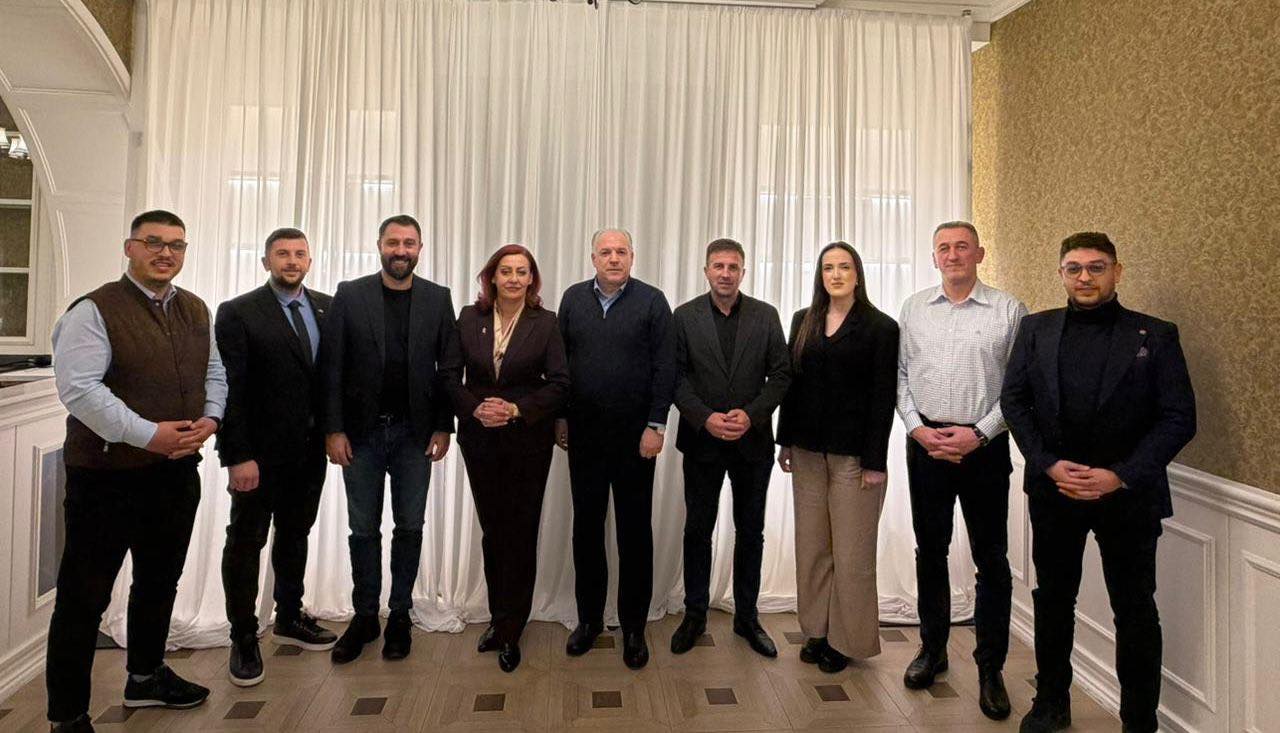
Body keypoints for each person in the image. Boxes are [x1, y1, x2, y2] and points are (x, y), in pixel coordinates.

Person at [1002, 232, 1195, 733]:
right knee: (1053, 600)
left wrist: (1120, 476)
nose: (1084, 277)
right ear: (1061, 273)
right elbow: (1014, 402)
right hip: (1055, 491)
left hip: (1128, 497)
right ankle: (1051, 703)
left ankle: (1139, 721)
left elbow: (1179, 417)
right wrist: (1047, 464)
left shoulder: (1156, 335)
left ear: (1117, 272)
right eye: (1074, 268)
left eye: (1096, 267)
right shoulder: (1036, 329)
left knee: (1135, 610)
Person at [46, 210, 226, 733]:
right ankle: (67, 715)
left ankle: (145, 678)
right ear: (130, 248)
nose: (165, 253)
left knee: (159, 582)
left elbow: (214, 371)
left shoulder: (195, 308)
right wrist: (150, 435)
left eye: (176, 245)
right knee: (84, 597)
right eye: (153, 242)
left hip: (175, 474)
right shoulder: (93, 310)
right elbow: (80, 391)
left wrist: (211, 418)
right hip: (105, 478)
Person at [897, 220, 1027, 720]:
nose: (952, 255)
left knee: (991, 559)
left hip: (984, 448)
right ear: (934, 257)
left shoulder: (1009, 310)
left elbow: (1019, 388)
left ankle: (991, 668)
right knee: (929, 551)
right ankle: (932, 651)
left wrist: (980, 434)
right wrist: (917, 429)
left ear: (979, 254)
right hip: (926, 446)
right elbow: (901, 377)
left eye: (962, 247)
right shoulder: (914, 309)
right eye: (944, 248)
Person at [319, 214, 457, 664]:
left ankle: (399, 615)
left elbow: (449, 369)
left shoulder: (438, 298)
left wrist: (443, 425)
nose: (401, 251)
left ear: (420, 248)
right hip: (360, 435)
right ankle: (364, 617)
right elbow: (332, 367)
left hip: (415, 435)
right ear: (379, 245)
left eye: (409, 243)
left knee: (410, 527)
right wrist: (333, 429)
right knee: (363, 529)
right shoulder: (350, 294)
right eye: (393, 242)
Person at [215, 227, 337, 687]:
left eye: (299, 253)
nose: (292, 261)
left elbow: (332, 378)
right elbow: (230, 389)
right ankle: (244, 636)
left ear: (309, 261)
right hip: (257, 457)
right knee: (246, 542)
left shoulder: (327, 307)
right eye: (282, 254)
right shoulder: (238, 312)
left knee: (295, 534)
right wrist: (237, 455)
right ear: (266, 261)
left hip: (309, 452)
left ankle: (289, 616)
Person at [444, 244, 569, 673]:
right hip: (480, 441)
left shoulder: (546, 323)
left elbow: (560, 383)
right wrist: (475, 408)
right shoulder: (468, 318)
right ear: (492, 277)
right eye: (506, 271)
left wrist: (516, 409)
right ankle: (498, 620)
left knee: (520, 533)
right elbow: (448, 376)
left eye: (522, 272)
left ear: (531, 279)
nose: (514, 278)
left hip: (527, 443)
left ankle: (513, 629)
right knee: (492, 532)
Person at [776, 241, 899, 673]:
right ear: (820, 275)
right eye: (828, 267)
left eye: (844, 267)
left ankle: (846, 641)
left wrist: (875, 462)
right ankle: (817, 631)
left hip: (855, 459)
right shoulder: (803, 320)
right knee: (812, 549)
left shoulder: (881, 327)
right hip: (807, 451)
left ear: (857, 274)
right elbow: (792, 386)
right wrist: (785, 441)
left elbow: (883, 398)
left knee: (851, 556)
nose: (836, 274)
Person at [557, 228, 676, 670]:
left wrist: (656, 425)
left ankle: (634, 628)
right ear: (593, 258)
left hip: (635, 440)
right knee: (587, 531)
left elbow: (666, 368)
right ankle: (589, 621)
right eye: (605, 252)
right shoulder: (573, 300)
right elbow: (560, 366)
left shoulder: (652, 302)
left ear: (632, 256)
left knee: (634, 534)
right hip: (584, 438)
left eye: (620, 251)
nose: (613, 258)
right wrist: (560, 418)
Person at [670, 238, 791, 658]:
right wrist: (705, 417)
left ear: (743, 271)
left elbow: (781, 374)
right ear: (706, 270)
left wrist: (751, 415)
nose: (725, 273)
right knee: (697, 530)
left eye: (733, 267)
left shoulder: (765, 315)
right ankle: (694, 614)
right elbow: (675, 378)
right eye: (718, 266)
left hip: (751, 443)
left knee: (751, 532)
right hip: (701, 441)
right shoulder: (683, 317)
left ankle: (747, 617)